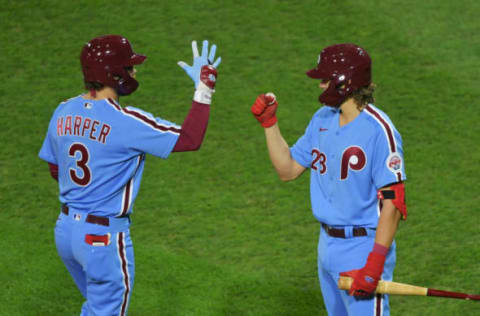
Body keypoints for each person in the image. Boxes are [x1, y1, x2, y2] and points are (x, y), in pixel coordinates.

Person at [38, 34, 221, 315]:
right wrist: (204, 88)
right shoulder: (126, 121)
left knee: (97, 308)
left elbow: (55, 168)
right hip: (101, 240)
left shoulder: (63, 111)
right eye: (129, 67)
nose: (133, 72)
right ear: (113, 73)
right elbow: (189, 139)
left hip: (66, 232)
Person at [250, 43, 407, 316]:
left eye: (325, 79)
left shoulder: (379, 131)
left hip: (363, 248)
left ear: (344, 82)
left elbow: (394, 204)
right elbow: (287, 170)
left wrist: (374, 264)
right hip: (327, 246)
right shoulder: (322, 119)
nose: (320, 85)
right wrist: (269, 124)